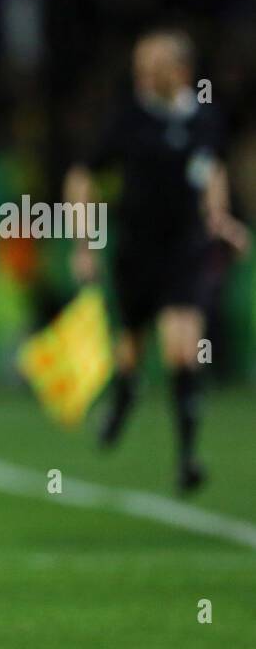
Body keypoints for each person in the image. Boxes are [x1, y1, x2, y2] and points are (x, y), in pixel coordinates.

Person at [66, 28, 249, 493]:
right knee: (131, 345)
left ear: (181, 70)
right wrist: (83, 244)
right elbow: (83, 174)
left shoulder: (206, 120)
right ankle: (125, 396)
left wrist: (220, 218)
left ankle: (188, 457)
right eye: (139, 64)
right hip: (136, 250)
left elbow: (212, 170)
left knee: (183, 348)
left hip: (185, 249)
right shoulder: (128, 120)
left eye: (153, 64)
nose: (142, 73)